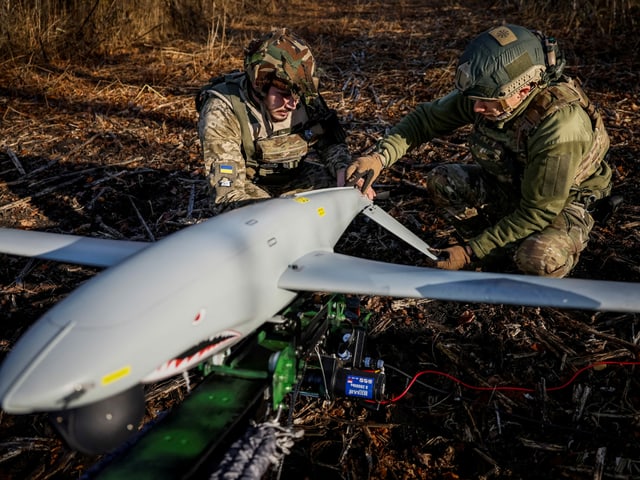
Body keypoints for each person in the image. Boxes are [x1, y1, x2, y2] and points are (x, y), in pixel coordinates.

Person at [345, 24, 612, 278]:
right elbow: (425, 120)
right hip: (516, 186)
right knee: (444, 181)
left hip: (562, 203)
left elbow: (539, 212)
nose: (476, 109)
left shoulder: (560, 126)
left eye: (486, 101)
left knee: (539, 258)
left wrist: (470, 253)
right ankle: (494, 249)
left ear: (524, 89)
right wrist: (378, 158)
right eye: (476, 99)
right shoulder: (490, 93)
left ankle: (492, 249)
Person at [196, 28, 351, 210]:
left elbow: (330, 143)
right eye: (284, 94)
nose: (293, 104)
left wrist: (343, 170)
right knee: (259, 217)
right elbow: (228, 194)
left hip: (295, 177)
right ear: (259, 83)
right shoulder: (222, 110)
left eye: (298, 94)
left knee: (347, 194)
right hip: (247, 184)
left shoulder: (305, 97)